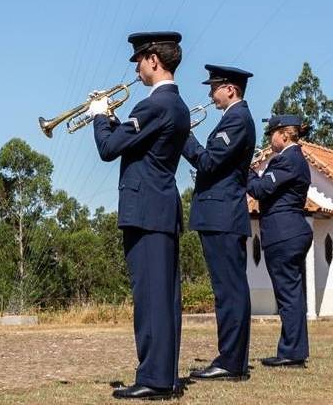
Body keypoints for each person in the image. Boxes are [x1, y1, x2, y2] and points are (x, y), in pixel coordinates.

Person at [92, 31, 190, 400]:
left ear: (153, 59)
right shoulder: (175, 105)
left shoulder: (154, 105)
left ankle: (154, 378)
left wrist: (100, 117)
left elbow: (109, 148)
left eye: (138, 60)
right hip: (161, 207)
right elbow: (136, 143)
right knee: (164, 299)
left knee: (150, 299)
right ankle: (163, 374)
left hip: (146, 210)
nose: (136, 68)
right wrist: (115, 118)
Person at [183, 65, 256, 382]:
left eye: (214, 87)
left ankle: (231, 361)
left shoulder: (237, 119)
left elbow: (209, 162)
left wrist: (184, 136)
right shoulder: (233, 119)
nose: (211, 93)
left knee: (229, 291)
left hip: (223, 214)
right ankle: (231, 358)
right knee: (227, 289)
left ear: (230, 89)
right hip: (220, 214)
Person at [247, 114, 313, 368]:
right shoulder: (291, 159)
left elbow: (261, 190)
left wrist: (247, 171)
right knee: (293, 294)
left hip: (283, 232)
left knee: (288, 295)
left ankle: (291, 353)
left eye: (271, 134)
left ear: (284, 134)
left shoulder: (288, 159)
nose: (269, 140)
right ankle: (293, 350)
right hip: (292, 231)